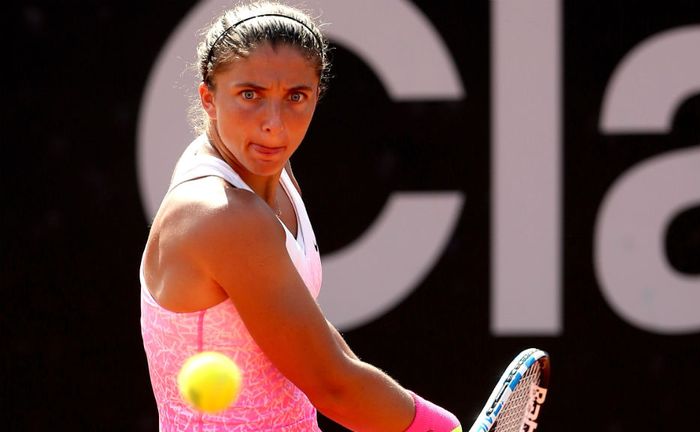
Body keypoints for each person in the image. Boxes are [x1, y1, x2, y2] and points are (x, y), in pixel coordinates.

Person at [139, 2, 462, 431]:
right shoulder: (221, 215)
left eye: (295, 97)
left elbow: (313, 340)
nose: (274, 124)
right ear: (209, 99)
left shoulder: (267, 167)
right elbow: (334, 386)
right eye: (249, 95)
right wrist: (443, 428)